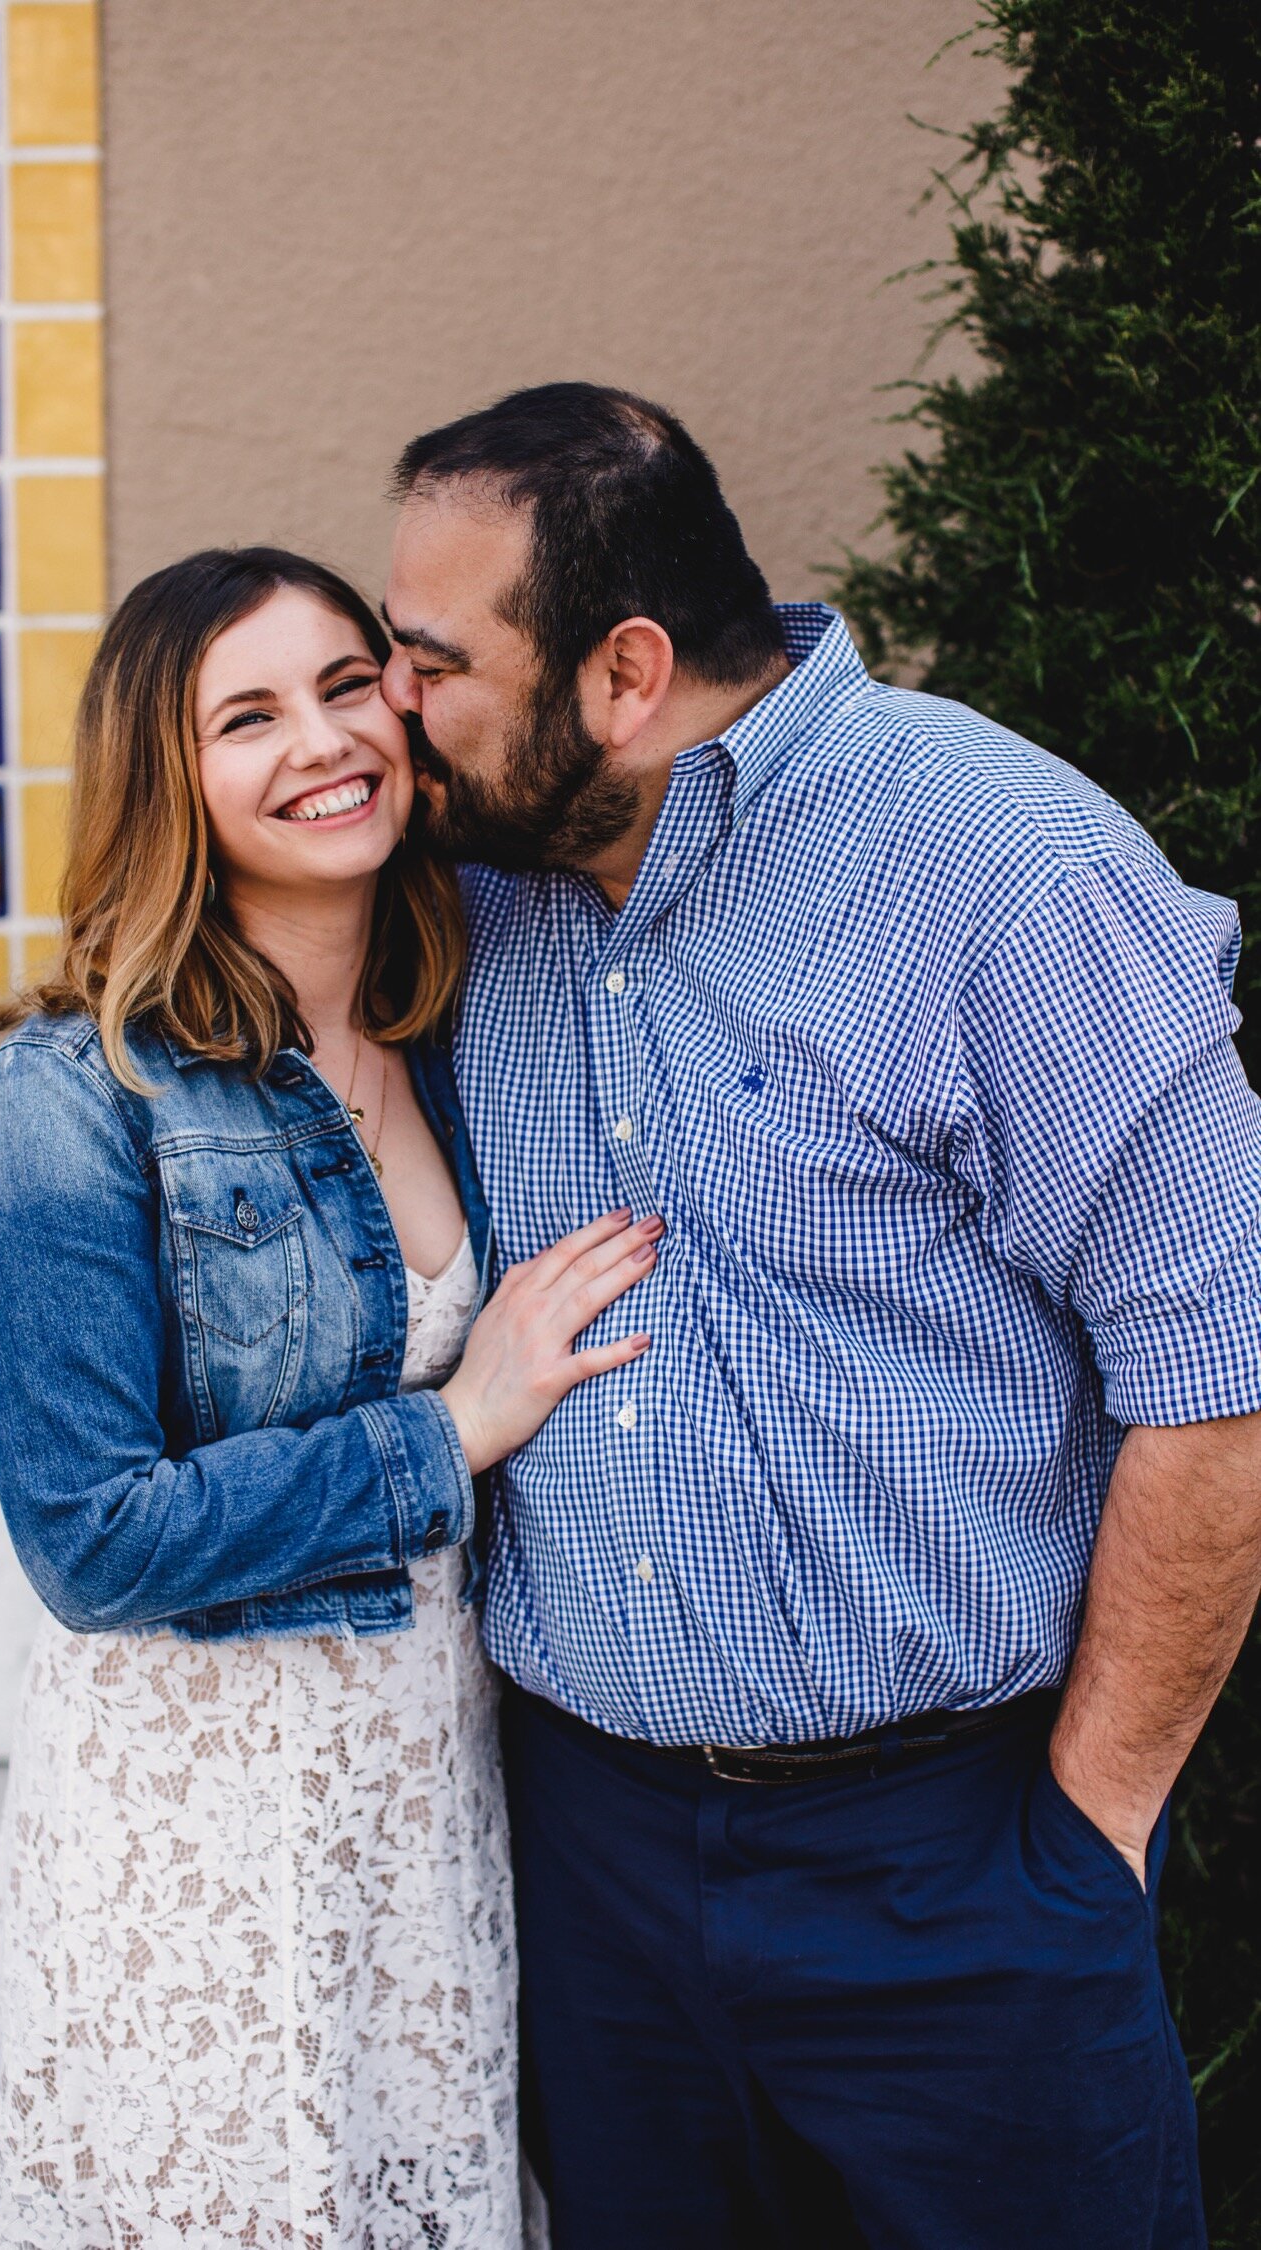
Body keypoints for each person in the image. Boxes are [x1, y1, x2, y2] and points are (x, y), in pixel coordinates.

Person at [379, 381, 1261, 2250]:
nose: (393, 705)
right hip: (588, 1864)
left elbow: (1226, 1380)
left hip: (953, 1863)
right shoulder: (469, 889)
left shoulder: (1006, 869)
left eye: (431, 658)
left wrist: (1084, 1846)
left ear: (623, 676)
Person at [0, 545, 657, 2248]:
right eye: (248, 715)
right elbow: (87, 1532)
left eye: (350, 684)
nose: (323, 741)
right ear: (169, 778)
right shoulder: (81, 1084)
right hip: (189, 1819)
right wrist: (450, 1429)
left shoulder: (460, 1023)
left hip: (421, 1792)